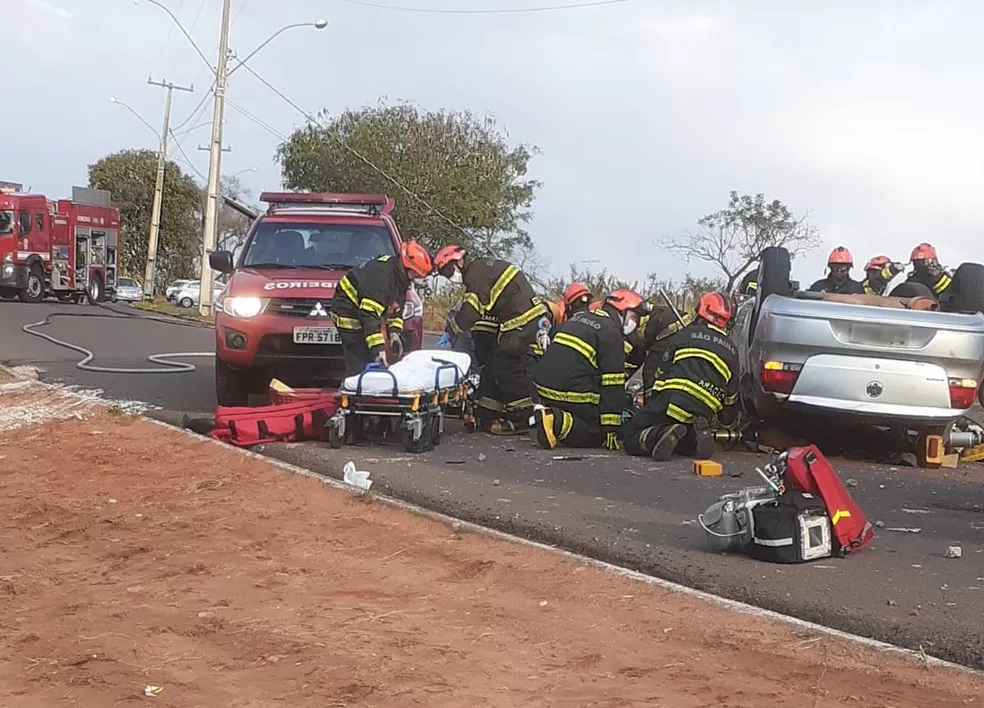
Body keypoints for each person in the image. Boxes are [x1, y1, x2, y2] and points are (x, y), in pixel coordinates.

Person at [435, 245, 547, 433]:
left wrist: (452, 330)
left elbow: (471, 311)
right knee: (492, 367)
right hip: (516, 323)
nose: (449, 276)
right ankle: (487, 414)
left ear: (460, 261)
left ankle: (521, 418)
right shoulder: (481, 270)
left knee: (506, 365)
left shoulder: (475, 275)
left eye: (448, 271)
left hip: (524, 321)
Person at [619, 292, 739, 461]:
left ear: (701, 311)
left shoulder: (685, 334)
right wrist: (725, 424)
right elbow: (731, 399)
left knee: (630, 435)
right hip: (703, 411)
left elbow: (660, 373)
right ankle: (692, 438)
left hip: (672, 401)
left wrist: (652, 405)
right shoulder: (733, 351)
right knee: (679, 432)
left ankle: (659, 433)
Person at [531, 289, 647, 450]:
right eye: (634, 317)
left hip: (542, 390)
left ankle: (548, 413)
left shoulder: (578, 318)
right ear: (622, 312)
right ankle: (555, 419)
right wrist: (610, 428)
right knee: (594, 432)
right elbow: (612, 385)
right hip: (567, 393)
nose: (635, 323)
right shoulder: (611, 334)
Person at [330, 241, 433, 376]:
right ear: (407, 267)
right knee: (358, 356)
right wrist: (379, 349)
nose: (415, 278)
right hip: (347, 308)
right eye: (415, 274)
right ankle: (352, 384)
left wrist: (394, 331)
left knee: (369, 353)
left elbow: (397, 307)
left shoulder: (399, 276)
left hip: (364, 307)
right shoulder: (382, 278)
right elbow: (369, 315)